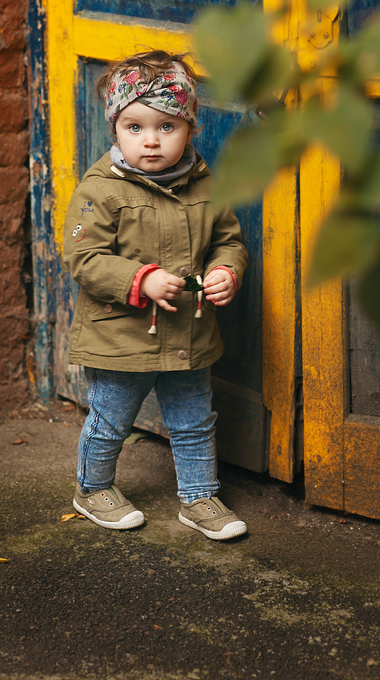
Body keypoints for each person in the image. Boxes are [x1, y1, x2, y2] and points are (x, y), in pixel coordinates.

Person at [63, 50, 248, 541]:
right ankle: (92, 489)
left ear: (190, 128)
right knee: (110, 420)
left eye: (167, 126)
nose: (151, 140)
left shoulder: (205, 184)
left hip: (189, 332)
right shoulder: (100, 191)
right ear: (114, 129)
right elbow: (83, 257)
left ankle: (199, 496)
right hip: (120, 336)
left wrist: (225, 270)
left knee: (194, 420)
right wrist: (139, 279)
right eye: (135, 127)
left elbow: (228, 240)